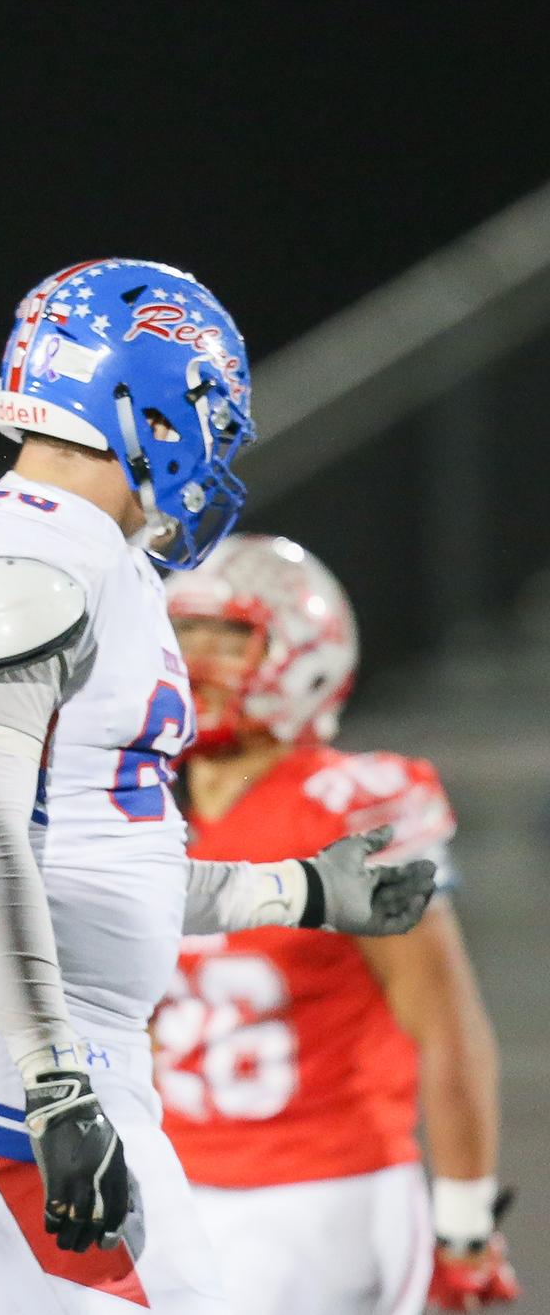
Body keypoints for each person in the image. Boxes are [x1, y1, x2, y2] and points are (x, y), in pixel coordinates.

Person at [0, 262, 437, 1311]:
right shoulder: (24, 549)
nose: (215, 444)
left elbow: (91, 862)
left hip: (53, 1047)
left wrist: (296, 892)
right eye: (208, 410)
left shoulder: (85, 556)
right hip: (19, 1056)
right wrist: (51, 1080)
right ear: (143, 398)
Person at [153, 534, 520, 1313]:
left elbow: (448, 1029)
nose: (198, 659)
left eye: (229, 634)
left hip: (321, 1191)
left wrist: (463, 1224)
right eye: (184, 632)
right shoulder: (133, 810)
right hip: (167, 1185)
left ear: (303, 649)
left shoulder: (350, 809)